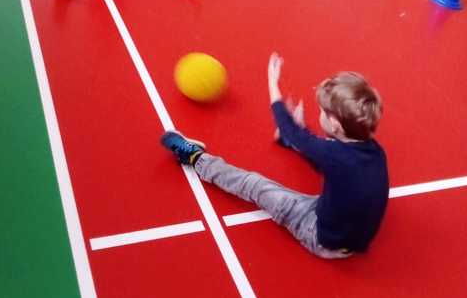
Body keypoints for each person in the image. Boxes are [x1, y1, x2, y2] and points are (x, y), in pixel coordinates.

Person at [161, 53, 389, 259]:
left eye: (322, 111)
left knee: (254, 184)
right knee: (318, 150)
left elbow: (289, 129)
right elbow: (327, 161)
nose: (319, 113)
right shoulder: (374, 151)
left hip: (320, 236)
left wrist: (273, 85)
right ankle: (291, 144)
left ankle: (194, 158)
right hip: (346, 234)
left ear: (335, 124)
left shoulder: (332, 155)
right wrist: (301, 139)